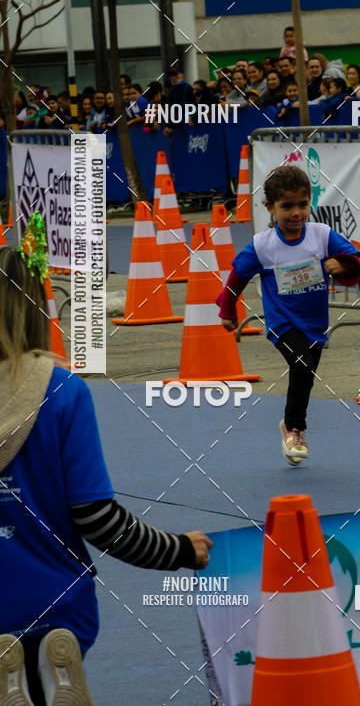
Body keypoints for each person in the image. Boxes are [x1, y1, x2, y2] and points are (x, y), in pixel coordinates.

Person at [0, 229, 212, 705]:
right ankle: (43, 671)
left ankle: (12, 679)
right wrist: (177, 549)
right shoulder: (62, 392)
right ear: (39, 308)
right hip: (54, 600)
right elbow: (99, 519)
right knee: (55, 634)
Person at [216, 165, 360, 464]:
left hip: (315, 324)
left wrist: (342, 265)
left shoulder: (321, 235)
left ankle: (289, 424)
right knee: (301, 367)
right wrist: (227, 309)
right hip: (282, 322)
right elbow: (236, 279)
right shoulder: (263, 246)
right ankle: (295, 429)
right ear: (270, 208)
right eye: (286, 206)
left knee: (305, 375)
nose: (296, 213)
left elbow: (353, 261)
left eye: (302, 205)